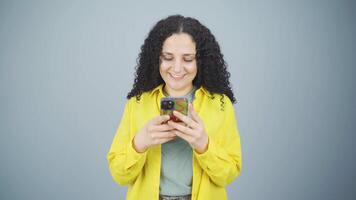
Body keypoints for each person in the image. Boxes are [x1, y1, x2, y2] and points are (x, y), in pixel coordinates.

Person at [107, 14, 242, 200]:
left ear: (200, 61)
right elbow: (118, 175)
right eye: (168, 57)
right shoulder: (137, 103)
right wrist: (140, 142)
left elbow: (229, 174)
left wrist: (204, 145)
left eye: (187, 59)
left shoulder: (220, 104)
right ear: (156, 59)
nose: (177, 68)